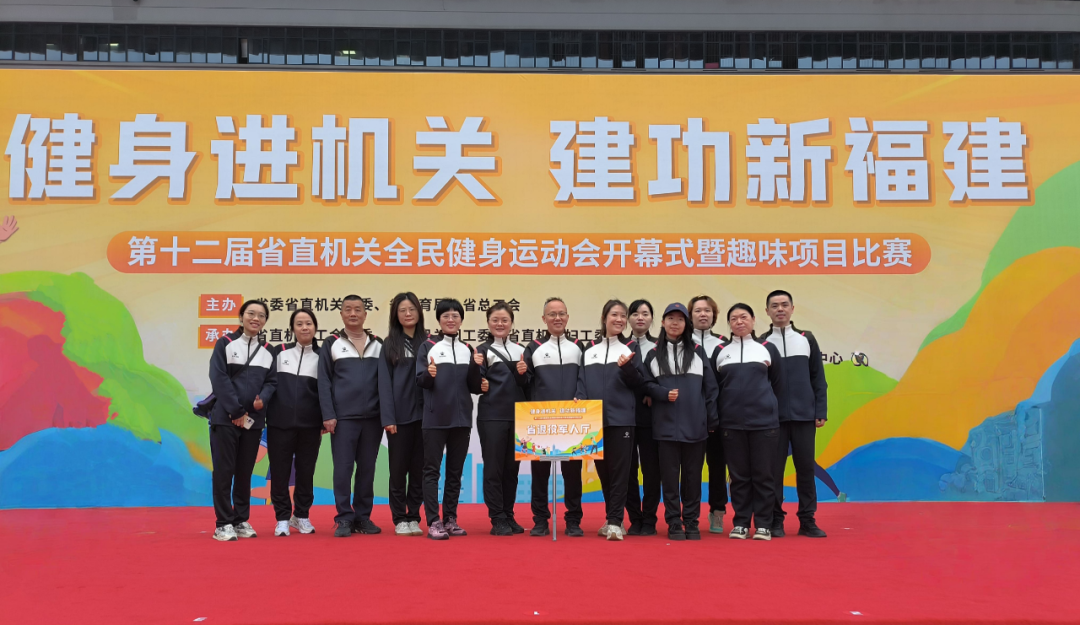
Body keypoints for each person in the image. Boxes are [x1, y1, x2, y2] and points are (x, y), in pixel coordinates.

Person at [642, 303, 719, 541]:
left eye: (680, 319)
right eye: (670, 318)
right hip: (664, 428)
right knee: (669, 479)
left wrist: (711, 419)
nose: (675, 323)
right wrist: (662, 393)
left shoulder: (697, 351)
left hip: (696, 427)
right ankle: (674, 522)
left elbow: (711, 389)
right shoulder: (653, 354)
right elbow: (645, 385)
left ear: (687, 324)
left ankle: (692, 521)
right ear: (663, 323)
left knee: (692, 478)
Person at [576, 299, 646, 541]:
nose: (619, 319)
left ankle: (616, 521)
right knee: (604, 472)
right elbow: (582, 382)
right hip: (594, 421)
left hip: (622, 419)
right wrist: (580, 399)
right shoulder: (589, 349)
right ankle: (612, 517)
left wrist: (628, 368)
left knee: (620, 472)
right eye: (614, 314)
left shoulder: (630, 347)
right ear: (604, 318)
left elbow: (640, 383)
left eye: (623, 315)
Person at [207, 299, 276, 541]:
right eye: (251, 313)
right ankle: (223, 523)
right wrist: (236, 412)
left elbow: (272, 382)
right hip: (225, 419)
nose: (256, 318)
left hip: (253, 422)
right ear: (241, 317)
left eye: (261, 315)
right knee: (224, 472)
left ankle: (241, 519)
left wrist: (263, 399)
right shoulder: (225, 343)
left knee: (245, 472)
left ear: (265, 321)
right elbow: (219, 379)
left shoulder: (268, 350)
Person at [762, 290, 828, 538]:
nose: (780, 309)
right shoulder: (762, 343)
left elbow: (818, 378)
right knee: (773, 472)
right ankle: (775, 520)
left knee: (806, 470)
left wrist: (820, 410)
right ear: (767, 311)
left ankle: (807, 520)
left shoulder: (806, 338)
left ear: (792, 309)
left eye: (784, 305)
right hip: (772, 419)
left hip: (804, 417)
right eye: (774, 306)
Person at [713, 303, 783, 541]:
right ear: (729, 324)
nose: (739, 322)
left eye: (744, 317)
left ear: (753, 320)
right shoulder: (721, 351)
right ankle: (741, 522)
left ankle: (763, 524)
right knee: (739, 477)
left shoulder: (767, 348)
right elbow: (715, 388)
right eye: (734, 319)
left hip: (764, 424)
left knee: (764, 475)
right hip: (731, 425)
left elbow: (778, 384)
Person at [319, 295, 386, 538]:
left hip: (373, 419)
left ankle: (363, 517)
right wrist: (328, 414)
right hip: (343, 418)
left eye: (358, 309)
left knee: (367, 469)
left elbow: (386, 383)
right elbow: (324, 381)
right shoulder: (332, 343)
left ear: (365, 314)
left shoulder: (378, 344)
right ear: (341, 314)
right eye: (348, 309)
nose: (353, 313)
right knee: (343, 469)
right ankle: (344, 518)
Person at [416, 298, 483, 540]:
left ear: (461, 320)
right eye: (446, 316)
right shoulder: (428, 346)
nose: (451, 319)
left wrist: (477, 369)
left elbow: (474, 387)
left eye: (455, 316)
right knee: (431, 471)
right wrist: (429, 374)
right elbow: (420, 380)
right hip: (435, 419)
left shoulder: (468, 349)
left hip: (462, 419)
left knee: (455, 472)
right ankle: (433, 521)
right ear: (439, 320)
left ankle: (450, 519)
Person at [522, 297, 586, 537]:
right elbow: (525, 383)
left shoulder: (579, 346)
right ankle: (540, 520)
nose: (557, 318)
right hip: (541, 422)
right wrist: (520, 374)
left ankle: (573, 520)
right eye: (552, 314)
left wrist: (580, 397)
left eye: (561, 314)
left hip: (572, 421)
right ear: (544, 319)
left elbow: (585, 379)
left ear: (567, 317)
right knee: (539, 474)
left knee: (573, 474)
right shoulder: (534, 348)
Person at [476, 302, 531, 536]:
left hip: (518, 417)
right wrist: (479, 379)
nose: (500, 324)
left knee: (511, 470)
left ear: (511, 323)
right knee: (493, 469)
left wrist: (523, 374)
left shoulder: (522, 350)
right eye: (495, 320)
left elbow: (528, 385)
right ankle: (497, 517)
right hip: (492, 417)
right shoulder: (481, 351)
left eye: (505, 320)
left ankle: (509, 514)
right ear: (488, 323)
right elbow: (474, 383)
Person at [267, 308, 322, 537]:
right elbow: (267, 384)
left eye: (308, 323)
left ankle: (301, 516)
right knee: (279, 472)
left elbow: (328, 391)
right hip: (279, 424)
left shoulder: (322, 356)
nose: (304, 327)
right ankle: (282, 518)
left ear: (315, 327)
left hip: (311, 426)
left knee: (306, 472)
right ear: (292, 328)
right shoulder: (278, 352)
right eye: (299, 324)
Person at [379, 292, 428, 537]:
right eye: (402, 310)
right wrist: (388, 418)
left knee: (419, 471)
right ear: (395, 315)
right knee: (398, 471)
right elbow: (384, 384)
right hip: (399, 419)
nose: (408, 314)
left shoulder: (429, 343)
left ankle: (414, 516)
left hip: (426, 419)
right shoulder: (389, 344)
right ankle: (399, 517)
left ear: (419, 312)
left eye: (412, 309)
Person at [689, 294, 729, 534]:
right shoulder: (682, 343)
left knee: (717, 466)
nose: (703, 314)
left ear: (714, 315)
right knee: (690, 469)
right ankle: (688, 515)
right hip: (689, 417)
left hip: (718, 417)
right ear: (690, 315)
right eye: (697, 310)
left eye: (707, 310)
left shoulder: (724, 344)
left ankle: (717, 512)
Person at [625, 299, 660, 536]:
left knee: (651, 470)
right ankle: (634, 518)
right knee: (628, 470)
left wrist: (652, 392)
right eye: (635, 313)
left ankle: (649, 518)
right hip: (625, 415)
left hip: (652, 416)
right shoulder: (620, 345)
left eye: (645, 314)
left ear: (652, 319)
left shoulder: (660, 346)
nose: (640, 317)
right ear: (628, 318)